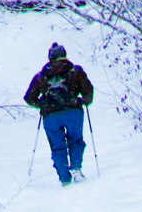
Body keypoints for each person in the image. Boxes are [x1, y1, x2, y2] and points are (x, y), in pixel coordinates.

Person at [24, 42, 94, 184]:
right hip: (73, 112)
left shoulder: (41, 76)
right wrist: (82, 100)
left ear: (50, 58)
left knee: (57, 145)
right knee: (76, 140)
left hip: (51, 115)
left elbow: (29, 98)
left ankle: (64, 177)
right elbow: (88, 93)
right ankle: (76, 169)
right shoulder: (76, 71)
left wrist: (41, 104)